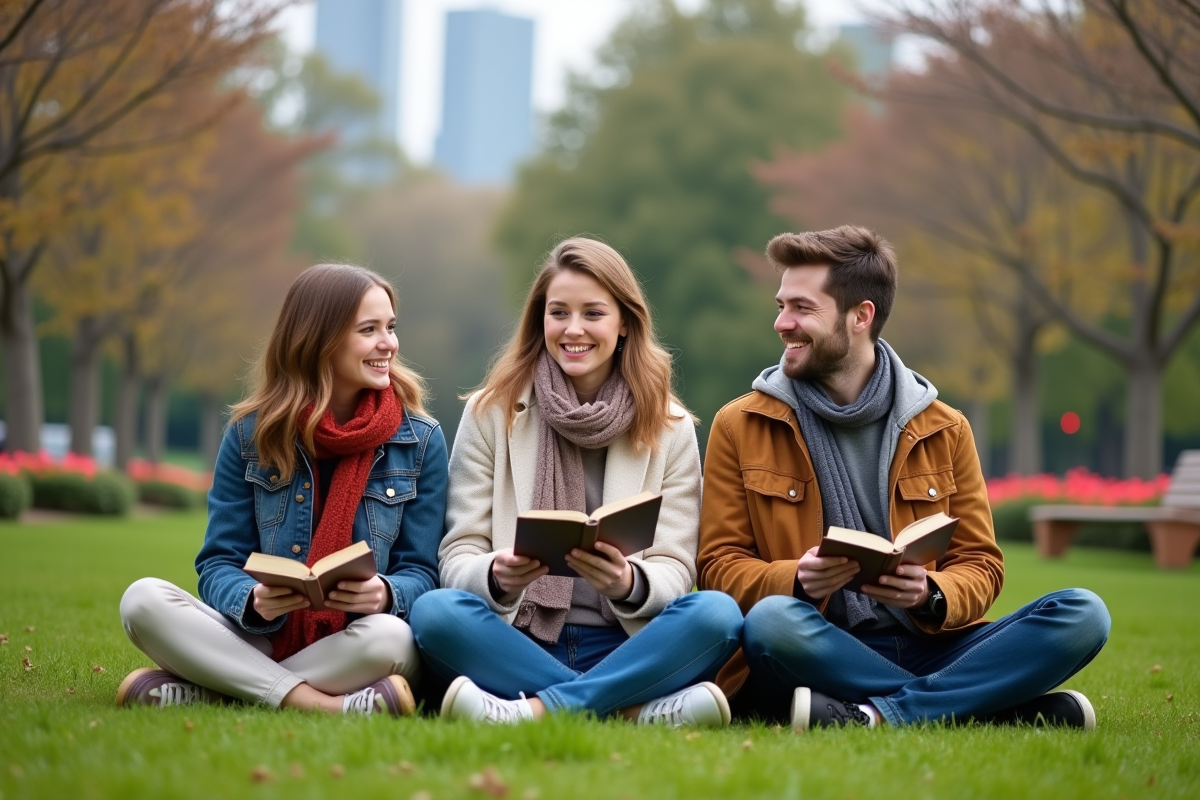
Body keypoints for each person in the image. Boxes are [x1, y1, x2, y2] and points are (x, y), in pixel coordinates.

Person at [698, 226, 1111, 731]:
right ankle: (986, 708)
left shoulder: (946, 427)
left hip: (932, 644)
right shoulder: (739, 424)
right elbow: (717, 567)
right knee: (771, 623)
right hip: (819, 642)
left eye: (802, 308)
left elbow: (981, 565)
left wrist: (930, 594)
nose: (782, 323)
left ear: (860, 316)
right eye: (781, 305)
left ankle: (880, 715)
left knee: (1083, 614)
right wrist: (797, 581)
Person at [410, 237, 742, 727]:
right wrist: (497, 577)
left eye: (593, 313)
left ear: (624, 323)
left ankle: (538, 711)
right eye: (558, 312)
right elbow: (458, 553)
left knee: (717, 615)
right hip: (515, 637)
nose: (573, 329)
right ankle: (628, 709)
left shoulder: (669, 427)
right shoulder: (491, 413)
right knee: (435, 613)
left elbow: (675, 564)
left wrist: (628, 583)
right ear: (540, 319)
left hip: (625, 642)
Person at [117, 264, 448, 716]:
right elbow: (218, 563)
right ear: (319, 340)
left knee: (392, 639)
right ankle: (323, 704)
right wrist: (252, 600)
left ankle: (217, 687)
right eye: (369, 330)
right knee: (142, 600)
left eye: (390, 328)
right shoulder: (250, 436)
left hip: (357, 639)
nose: (388, 344)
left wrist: (386, 594)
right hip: (262, 634)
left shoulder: (421, 440)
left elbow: (424, 574)